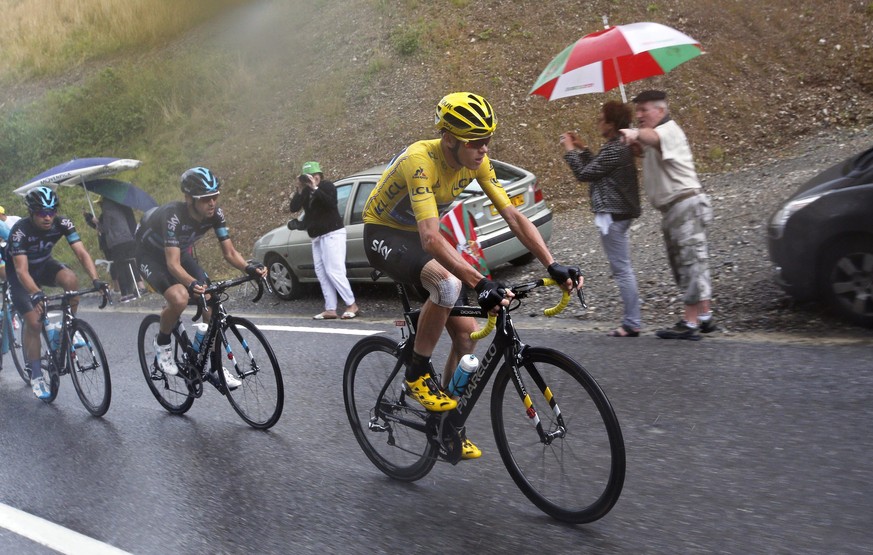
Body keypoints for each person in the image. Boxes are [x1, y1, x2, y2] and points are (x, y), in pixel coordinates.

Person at [363, 92, 582, 459]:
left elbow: (513, 216)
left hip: (421, 238)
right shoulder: (421, 160)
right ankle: (416, 373)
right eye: (475, 141)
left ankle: (445, 427)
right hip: (384, 234)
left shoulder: (476, 162)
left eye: (488, 140)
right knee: (447, 285)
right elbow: (431, 239)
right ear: (448, 138)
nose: (483, 149)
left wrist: (551, 264)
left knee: (466, 341)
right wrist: (480, 283)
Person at [135, 167, 266, 386]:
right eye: (206, 199)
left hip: (178, 252)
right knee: (179, 297)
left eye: (214, 197)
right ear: (189, 199)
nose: (212, 203)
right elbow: (172, 264)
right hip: (150, 256)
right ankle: (163, 344)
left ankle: (213, 365)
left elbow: (230, 253)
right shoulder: (173, 216)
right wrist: (191, 284)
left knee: (211, 298)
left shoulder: (216, 215)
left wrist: (248, 268)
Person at [619, 90, 716, 340]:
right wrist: (636, 143)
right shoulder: (657, 137)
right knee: (694, 260)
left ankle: (690, 322)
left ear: (660, 111)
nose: (638, 115)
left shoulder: (667, 130)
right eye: (637, 110)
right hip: (678, 208)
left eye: (644, 110)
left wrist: (635, 133)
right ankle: (704, 316)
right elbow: (651, 147)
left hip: (684, 205)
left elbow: (652, 137)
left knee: (689, 262)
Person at [5, 186, 106, 399]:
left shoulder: (63, 223)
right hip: (21, 276)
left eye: (52, 211)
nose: (48, 217)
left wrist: (96, 279)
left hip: (44, 265)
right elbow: (22, 271)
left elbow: (81, 253)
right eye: (42, 212)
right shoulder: (20, 232)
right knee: (34, 322)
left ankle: (69, 326)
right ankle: (35, 374)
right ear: (32, 212)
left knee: (70, 279)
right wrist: (35, 293)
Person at [560, 100, 643, 337]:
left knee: (622, 269)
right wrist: (583, 149)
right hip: (619, 214)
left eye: (601, 119)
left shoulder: (616, 148)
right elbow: (599, 167)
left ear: (612, 123)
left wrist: (569, 149)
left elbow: (585, 173)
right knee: (623, 267)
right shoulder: (617, 146)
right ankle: (632, 318)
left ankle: (632, 322)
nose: (598, 122)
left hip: (613, 216)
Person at [289, 161, 360, 320]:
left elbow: (330, 203)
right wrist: (299, 189)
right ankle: (330, 309)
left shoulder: (328, 186)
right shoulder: (305, 191)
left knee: (334, 270)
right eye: (308, 177)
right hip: (317, 237)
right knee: (321, 272)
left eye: (314, 176)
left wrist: (315, 187)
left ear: (319, 175)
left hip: (333, 233)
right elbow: (294, 208)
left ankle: (351, 304)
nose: (311, 179)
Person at [84, 197, 141, 299]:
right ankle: (135, 290)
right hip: (128, 239)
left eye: (100, 204)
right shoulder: (119, 209)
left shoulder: (107, 212)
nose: (100, 206)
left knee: (120, 267)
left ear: (104, 203)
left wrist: (95, 222)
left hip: (117, 243)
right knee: (129, 264)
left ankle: (125, 294)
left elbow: (105, 229)